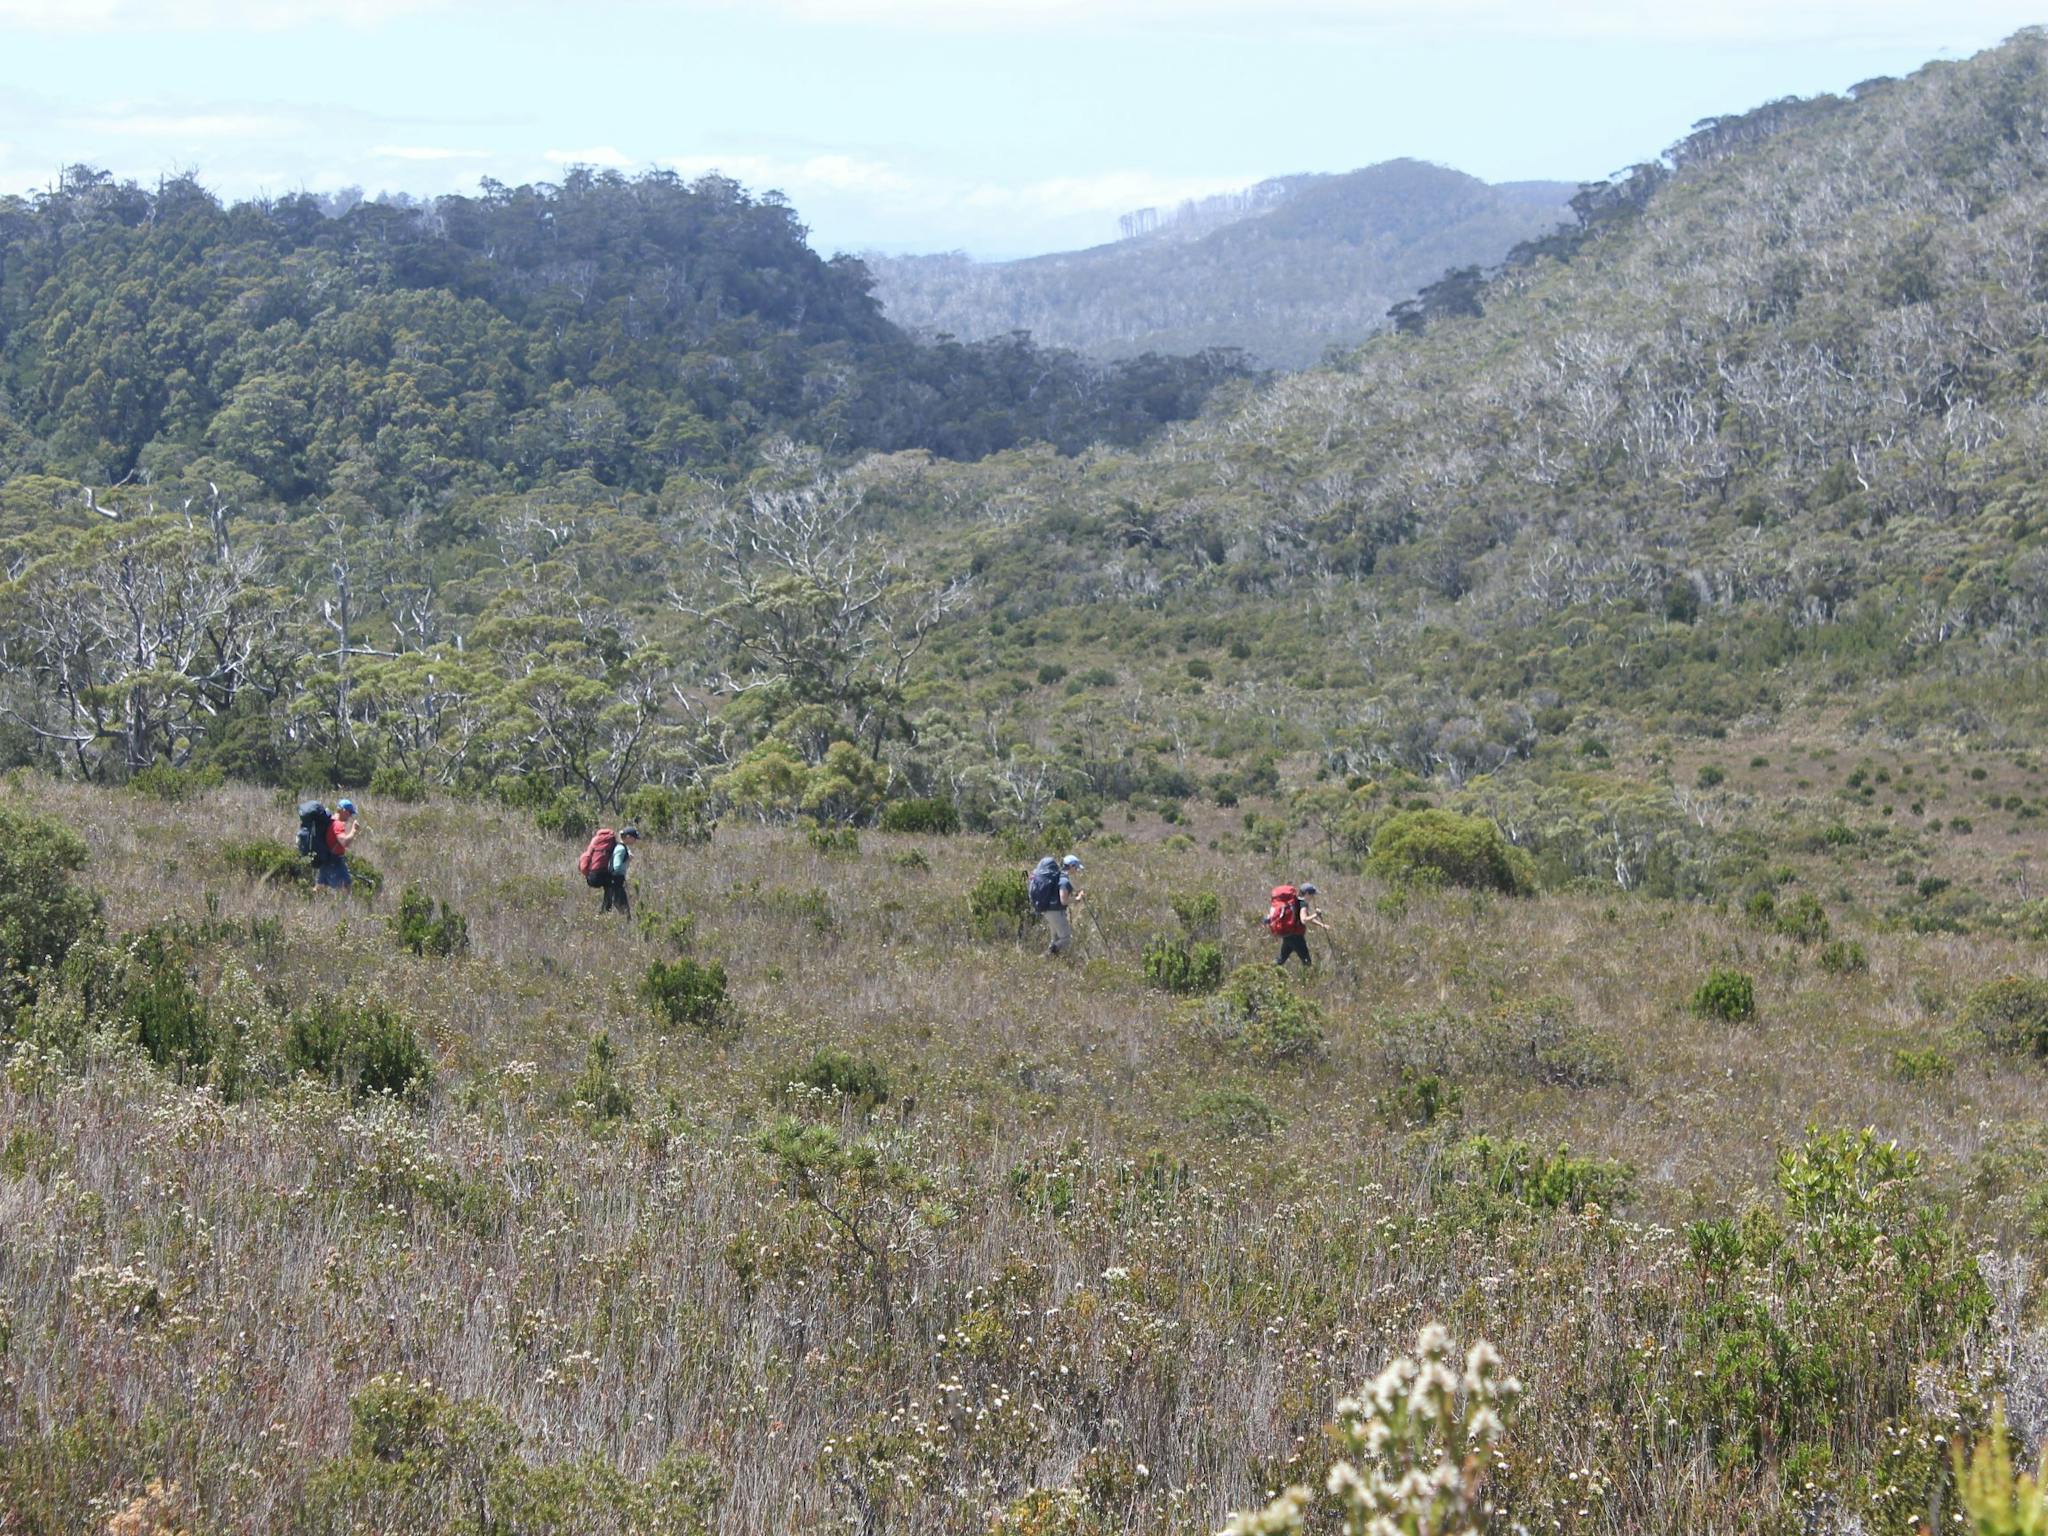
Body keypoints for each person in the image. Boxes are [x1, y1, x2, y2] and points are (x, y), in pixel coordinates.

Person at [1263, 881, 1330, 967]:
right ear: (1307, 894)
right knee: (1307, 962)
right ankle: (1308, 976)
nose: (1313, 897)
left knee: (1281, 959)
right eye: (1312, 895)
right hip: (1297, 937)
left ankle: (1265, 969)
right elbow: (1304, 920)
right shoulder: (1303, 904)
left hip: (1288, 934)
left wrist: (1321, 925)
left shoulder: (1295, 902)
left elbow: (1306, 918)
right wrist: (1316, 915)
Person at [1038, 853, 1084, 956]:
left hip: (1048, 910)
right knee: (1066, 939)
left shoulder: (1057, 876)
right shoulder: (1064, 881)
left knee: (1055, 939)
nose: (1077, 870)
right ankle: (1044, 956)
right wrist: (1077, 898)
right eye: (1076, 867)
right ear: (1071, 866)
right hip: (1056, 912)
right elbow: (1063, 900)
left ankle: (1050, 961)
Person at [316, 798, 360, 893]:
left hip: (326, 858)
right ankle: (345, 903)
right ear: (344, 811)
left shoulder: (330, 820)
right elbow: (345, 842)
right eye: (350, 813)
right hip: (335, 860)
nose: (350, 816)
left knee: (320, 887)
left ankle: (308, 899)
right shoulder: (338, 824)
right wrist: (354, 831)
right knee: (347, 886)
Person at [600, 825, 640, 915]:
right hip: (616, 882)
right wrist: (627, 861)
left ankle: (601, 919)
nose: (635, 840)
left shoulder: (620, 847)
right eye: (634, 838)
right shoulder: (621, 849)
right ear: (628, 837)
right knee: (624, 910)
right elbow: (617, 867)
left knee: (607, 907)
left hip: (612, 882)